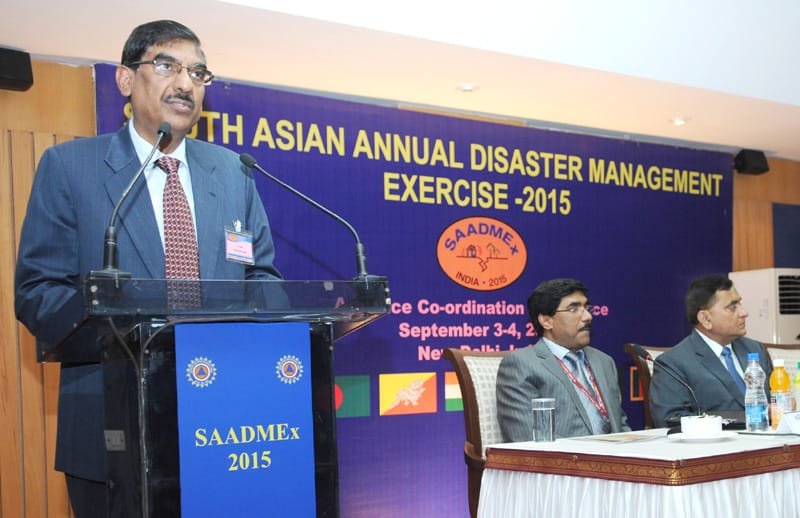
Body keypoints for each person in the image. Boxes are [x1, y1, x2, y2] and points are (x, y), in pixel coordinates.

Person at [14, 20, 283, 516]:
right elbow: (36, 292)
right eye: (167, 65)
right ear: (125, 79)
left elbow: (261, 277)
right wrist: (113, 314)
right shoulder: (70, 168)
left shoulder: (232, 173)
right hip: (109, 428)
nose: (185, 83)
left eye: (198, 73)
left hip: (225, 426)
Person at [496, 278, 630, 442]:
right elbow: (526, 436)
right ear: (546, 321)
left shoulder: (604, 361)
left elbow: (619, 423)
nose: (588, 316)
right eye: (574, 309)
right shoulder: (521, 364)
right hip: (565, 464)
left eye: (587, 308)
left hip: (616, 460)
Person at [649, 275, 772, 427]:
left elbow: (776, 399)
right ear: (705, 319)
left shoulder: (754, 349)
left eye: (740, 303)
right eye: (733, 307)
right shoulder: (673, 364)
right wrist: (746, 417)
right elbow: (671, 419)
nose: (744, 312)